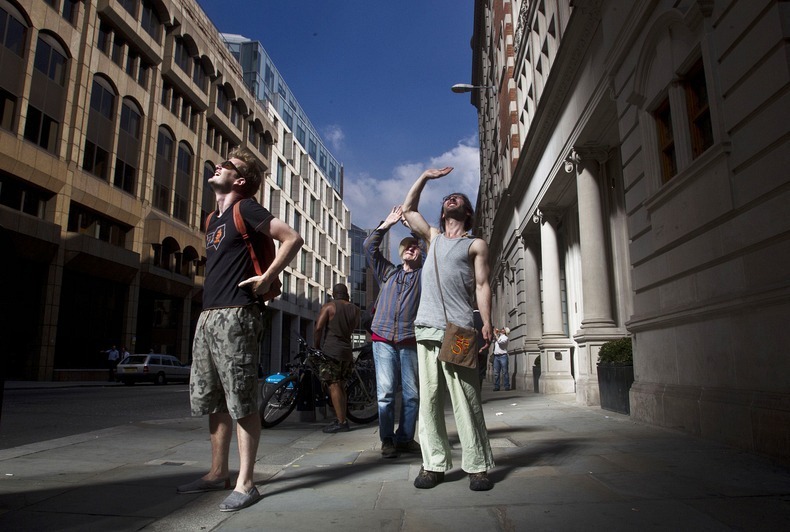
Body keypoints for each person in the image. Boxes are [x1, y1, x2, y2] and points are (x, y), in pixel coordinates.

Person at [177, 146, 303, 512]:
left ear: (241, 179)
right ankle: (218, 472)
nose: (219, 166)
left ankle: (246, 483)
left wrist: (268, 277)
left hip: (238, 314)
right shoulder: (210, 218)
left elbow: (293, 237)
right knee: (215, 399)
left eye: (227, 165)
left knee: (241, 398)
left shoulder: (244, 207)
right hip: (209, 314)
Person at [402, 167, 496, 492]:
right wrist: (425, 177)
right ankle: (433, 465)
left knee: (466, 399)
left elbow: (483, 285)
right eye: (447, 198)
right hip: (426, 328)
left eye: (459, 198)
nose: (451, 198)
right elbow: (408, 210)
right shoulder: (433, 237)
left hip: (458, 331)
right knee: (428, 400)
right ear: (443, 212)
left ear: (466, 212)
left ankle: (478, 465)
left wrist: (486, 322)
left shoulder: (475, 245)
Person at [363, 205, 423, 458]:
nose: (410, 247)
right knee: (386, 393)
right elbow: (368, 247)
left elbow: (437, 253)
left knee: (411, 394)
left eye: (415, 246)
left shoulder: (424, 276)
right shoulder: (388, 273)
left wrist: (417, 232)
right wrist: (386, 224)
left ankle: (405, 438)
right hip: (383, 339)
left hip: (409, 339)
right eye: (406, 246)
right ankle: (387, 440)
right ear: (400, 254)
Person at [314, 283, 361, 433]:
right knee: (341, 386)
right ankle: (342, 417)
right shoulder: (355, 309)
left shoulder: (329, 307)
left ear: (334, 294)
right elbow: (352, 328)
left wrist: (317, 346)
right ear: (347, 294)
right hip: (347, 352)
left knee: (333, 385)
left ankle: (341, 422)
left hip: (331, 351)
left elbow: (318, 328)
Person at [473, 310, 488, 386]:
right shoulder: (485, 319)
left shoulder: (471, 317)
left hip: (472, 349)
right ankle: (479, 389)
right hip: (483, 348)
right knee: (480, 372)